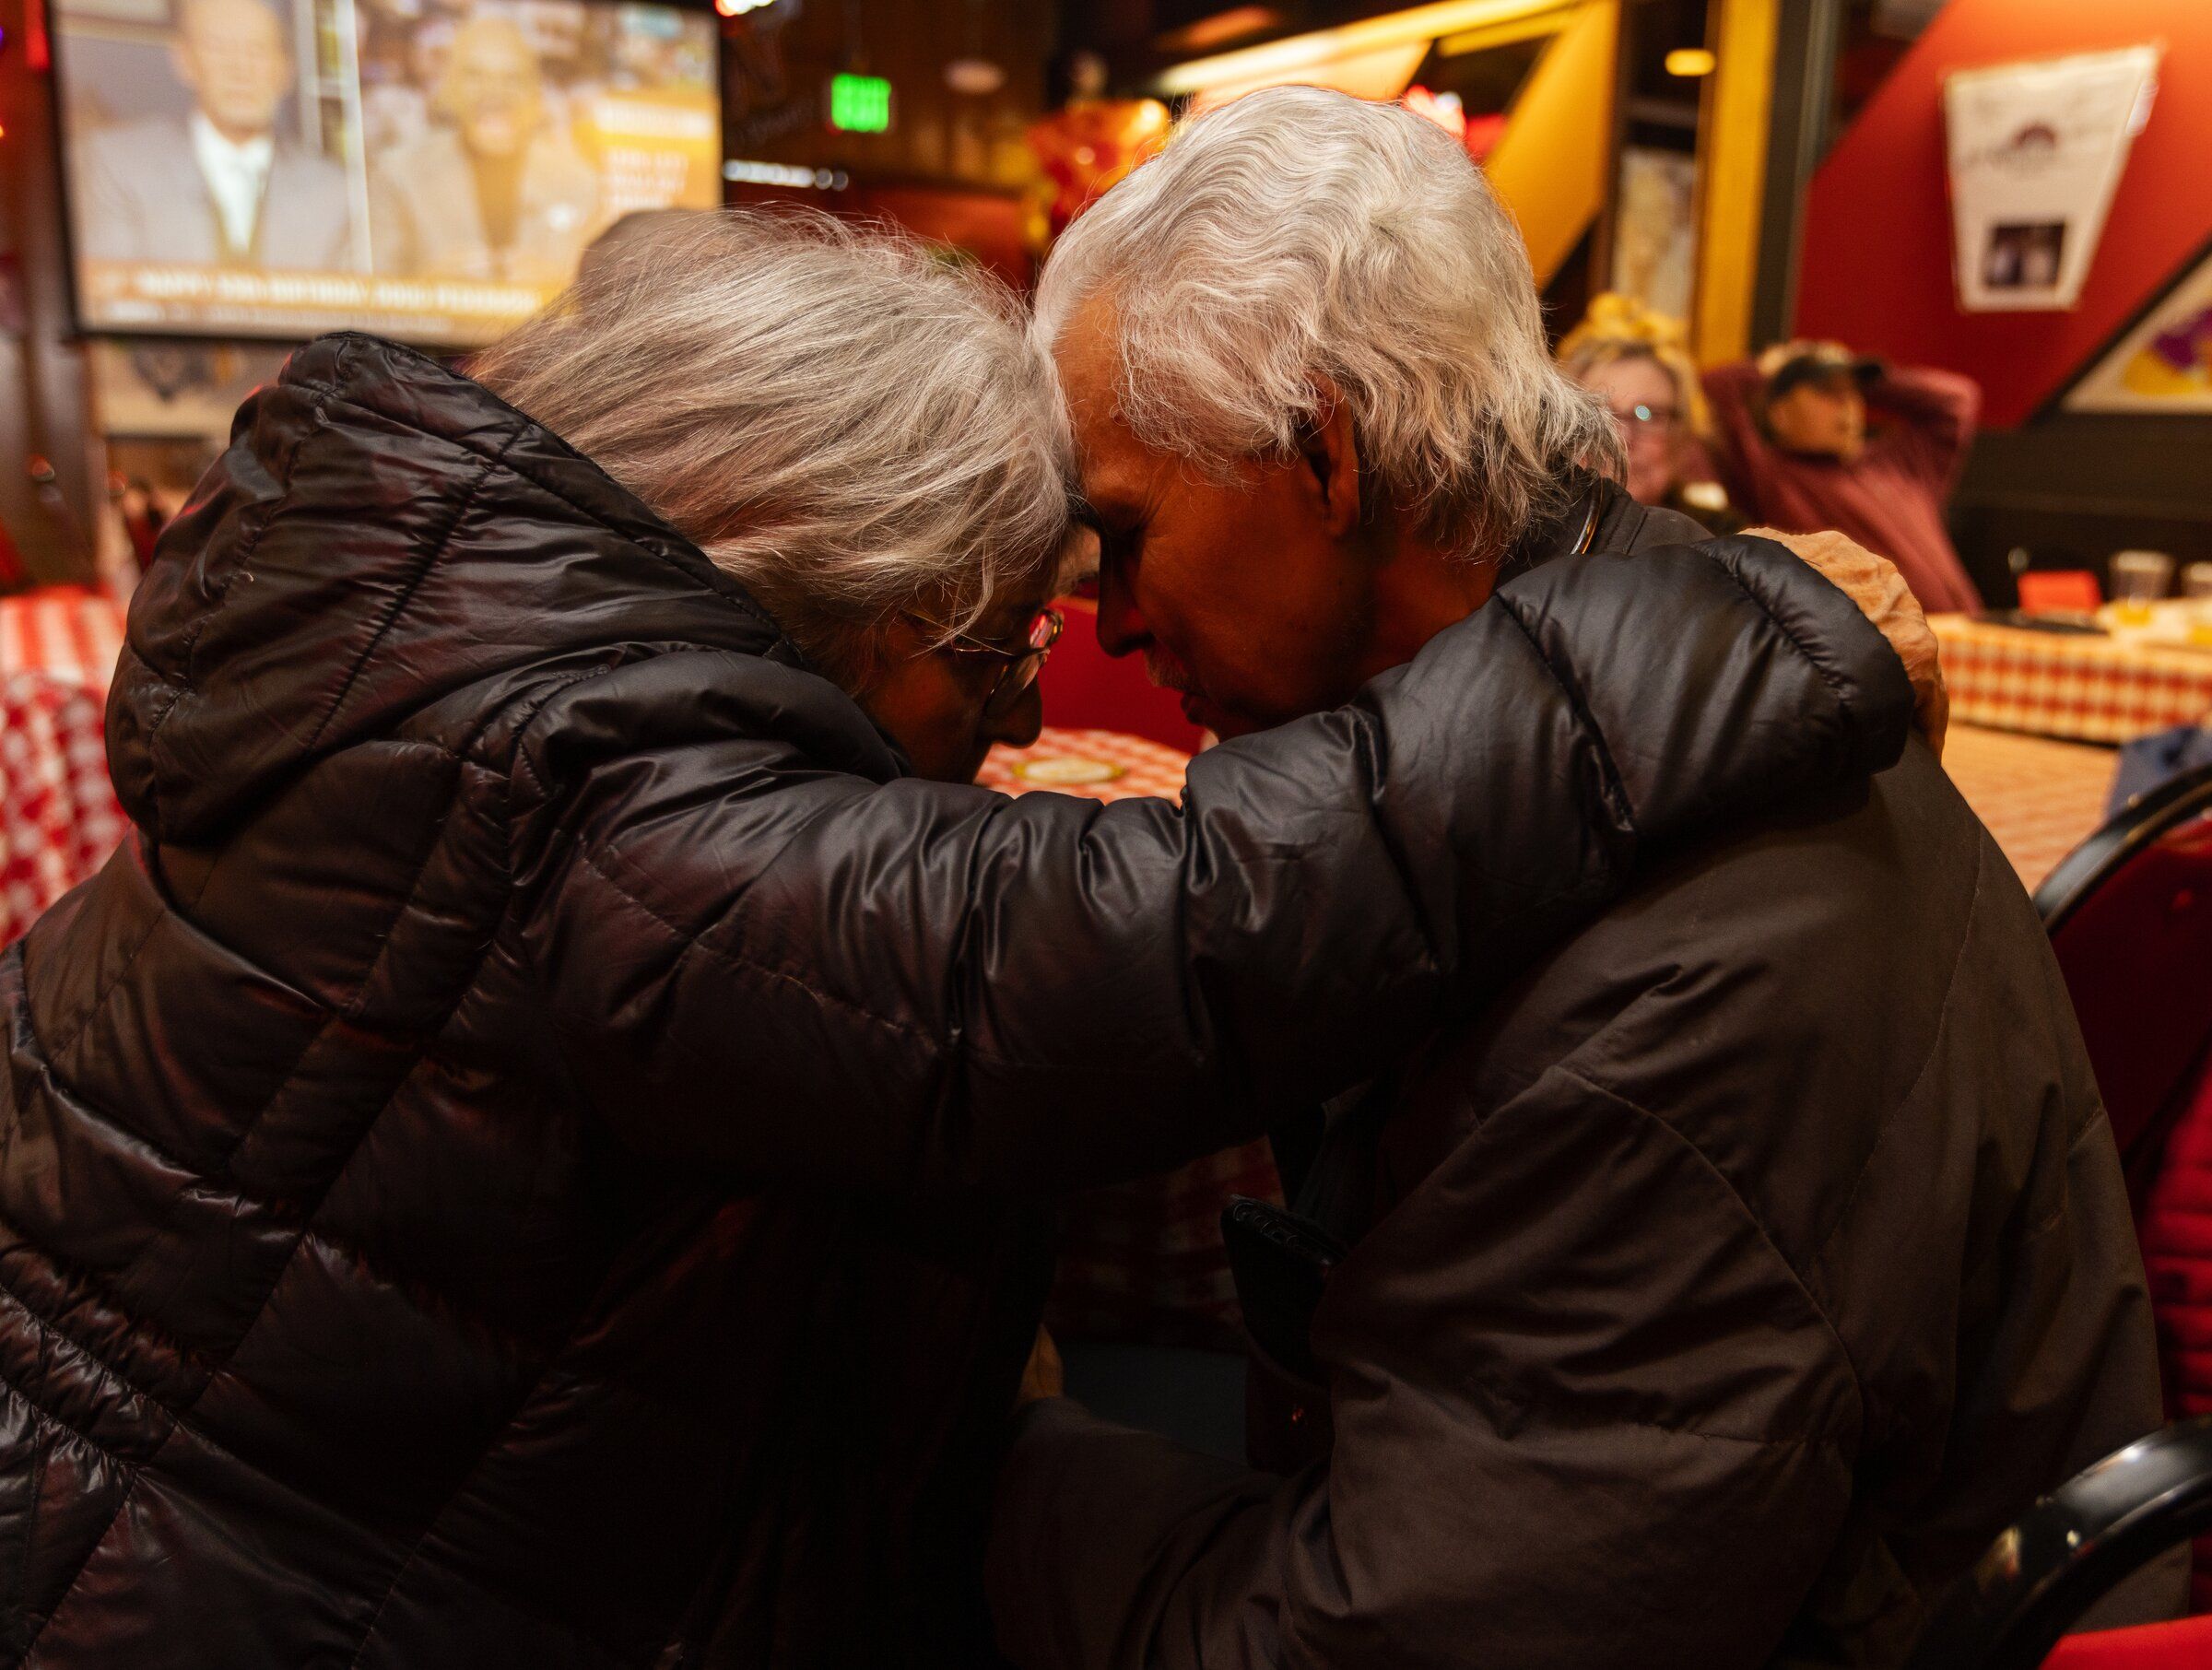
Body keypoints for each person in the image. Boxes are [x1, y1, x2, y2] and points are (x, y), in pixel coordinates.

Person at [0, 210, 1924, 1668]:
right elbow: (1147, 955)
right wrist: (1745, 632)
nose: (1015, 720)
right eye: (1003, 641)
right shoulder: (577, 792)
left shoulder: (460, 662)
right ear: (836, 599)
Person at [986, 88, 2166, 1669]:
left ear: (1327, 454)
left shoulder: (1676, 991)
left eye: (1121, 537)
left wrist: (971, 1458)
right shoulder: (1678, 651)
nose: (1108, 623)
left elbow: (1371, 1647)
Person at [1705, 339, 1985, 613]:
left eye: (1853, 392)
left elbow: (1956, 400)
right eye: (1827, 391)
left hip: (1968, 639)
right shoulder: (1771, 477)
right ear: (1780, 415)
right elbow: (1715, 387)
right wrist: (1773, 363)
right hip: (1881, 652)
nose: (1848, 405)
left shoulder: (1897, 462)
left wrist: (1873, 381)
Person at [76, 0, 357, 270]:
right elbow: (114, 301)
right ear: (184, 61)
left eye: (257, 50)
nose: (241, 70)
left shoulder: (335, 192)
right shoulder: (117, 164)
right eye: (219, 48)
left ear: (285, 71)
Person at [369, 13, 600, 285]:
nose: (494, 93)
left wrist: (557, 292)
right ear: (449, 87)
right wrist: (427, 294)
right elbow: (357, 295)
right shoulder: (397, 175)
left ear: (536, 95)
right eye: (475, 76)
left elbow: (603, 304)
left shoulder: (580, 183)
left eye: (512, 78)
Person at [1559, 292, 1742, 534]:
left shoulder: (1721, 543)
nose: (1624, 439)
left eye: (1649, 415)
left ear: (1684, 435)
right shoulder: (1526, 541)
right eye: (1601, 415)